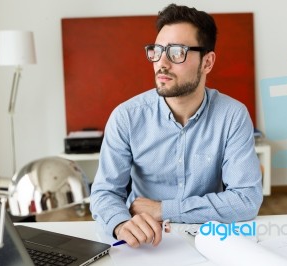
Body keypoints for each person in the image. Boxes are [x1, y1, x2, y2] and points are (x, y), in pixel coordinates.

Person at [90, 3, 263, 248]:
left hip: (209, 239)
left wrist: (163, 209)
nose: (162, 63)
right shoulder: (126, 117)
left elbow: (247, 199)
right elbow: (104, 193)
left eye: (176, 52)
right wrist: (120, 224)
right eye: (157, 51)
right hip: (145, 242)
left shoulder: (232, 115)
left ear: (207, 62)